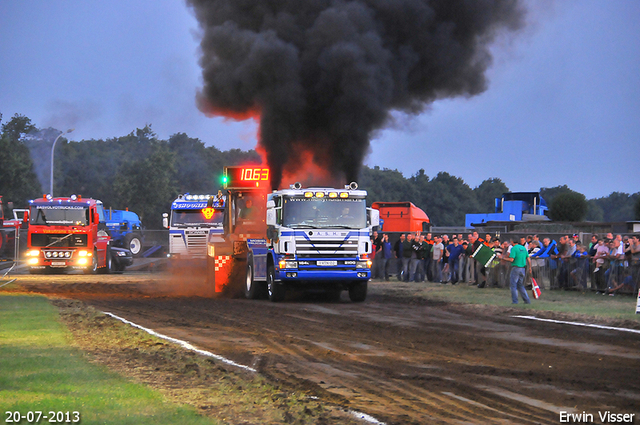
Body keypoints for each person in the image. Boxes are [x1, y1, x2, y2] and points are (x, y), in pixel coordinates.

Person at [503, 237, 532, 304]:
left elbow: (511, 259)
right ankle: (527, 301)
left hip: (516, 268)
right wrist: (530, 267)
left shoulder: (514, 248)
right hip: (523, 268)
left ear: (512, 242)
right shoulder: (523, 248)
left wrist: (503, 258)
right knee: (520, 285)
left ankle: (515, 301)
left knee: (513, 285)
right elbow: (528, 259)